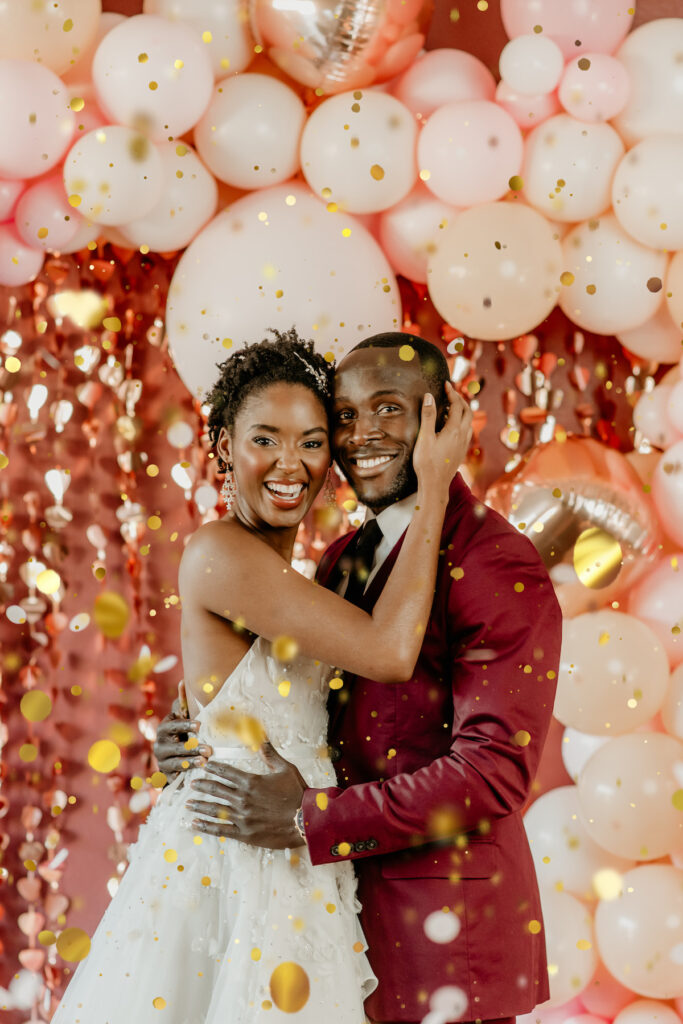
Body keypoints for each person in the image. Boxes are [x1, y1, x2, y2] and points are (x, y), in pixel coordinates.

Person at [52, 329, 471, 1024]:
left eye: (311, 442)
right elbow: (391, 653)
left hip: (285, 848)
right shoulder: (220, 552)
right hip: (235, 862)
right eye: (265, 439)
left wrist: (190, 734)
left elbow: (245, 699)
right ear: (222, 447)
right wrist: (433, 488)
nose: (291, 463)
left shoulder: (293, 575)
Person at [155, 331, 563, 1024]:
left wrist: (311, 818)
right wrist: (203, 730)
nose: (361, 433)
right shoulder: (348, 553)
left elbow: (491, 772)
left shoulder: (494, 560)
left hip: (440, 938)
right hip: (331, 923)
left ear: (443, 418)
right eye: (343, 416)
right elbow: (313, 699)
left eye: (388, 409)